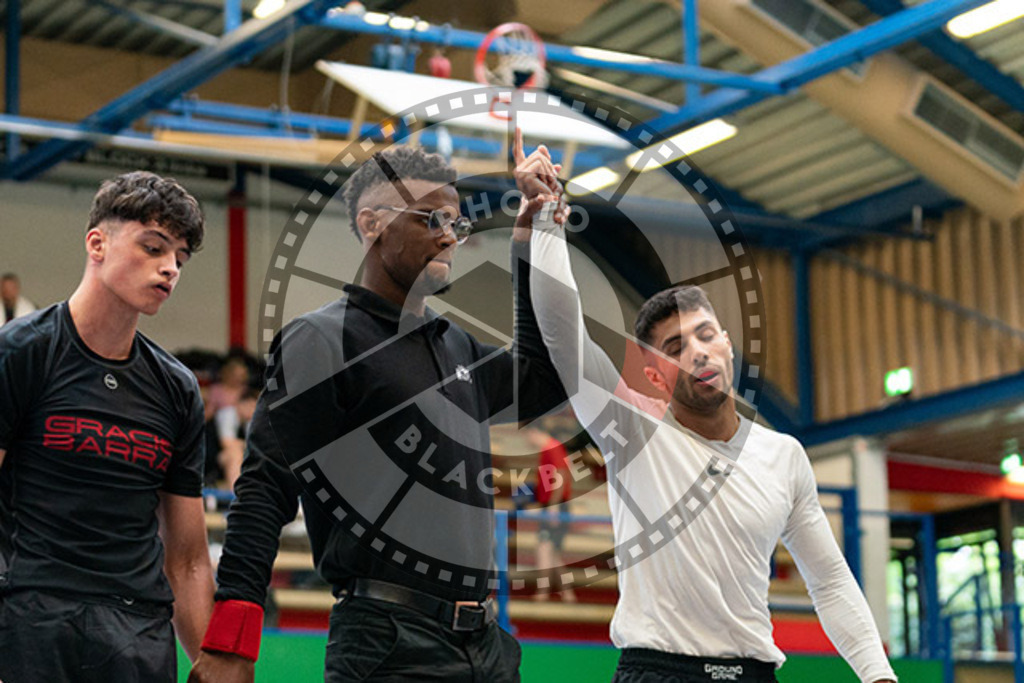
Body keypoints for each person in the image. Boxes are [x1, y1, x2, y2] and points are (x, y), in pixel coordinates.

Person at [189, 140, 567, 683]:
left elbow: (546, 377)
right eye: (432, 218)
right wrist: (231, 642)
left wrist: (532, 238)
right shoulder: (321, 339)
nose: (448, 236)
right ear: (372, 224)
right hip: (387, 645)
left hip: (486, 648)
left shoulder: (454, 344)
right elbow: (265, 489)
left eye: (457, 224)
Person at [521, 157, 897, 682]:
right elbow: (563, 335)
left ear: (726, 343)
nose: (697, 353)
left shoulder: (784, 455)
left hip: (754, 672)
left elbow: (830, 580)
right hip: (657, 670)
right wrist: (545, 220)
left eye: (705, 335)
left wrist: (879, 676)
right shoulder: (632, 432)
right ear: (653, 376)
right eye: (676, 347)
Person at [0, 171, 215, 682]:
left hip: (137, 633)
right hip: (30, 618)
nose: (169, 269)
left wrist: (209, 660)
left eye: (179, 259)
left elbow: (186, 559)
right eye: (154, 247)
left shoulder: (177, 388)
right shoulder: (21, 353)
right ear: (97, 242)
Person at [524, 426, 576, 602]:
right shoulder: (550, 450)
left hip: (556, 506)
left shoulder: (551, 448)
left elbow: (561, 474)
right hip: (553, 504)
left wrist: (553, 506)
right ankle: (567, 593)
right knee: (552, 551)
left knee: (544, 548)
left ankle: (543, 592)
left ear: (533, 432)